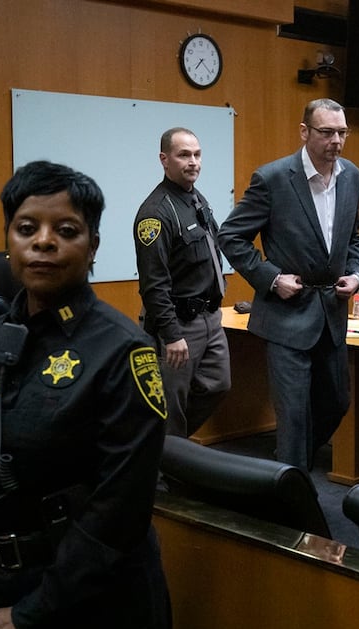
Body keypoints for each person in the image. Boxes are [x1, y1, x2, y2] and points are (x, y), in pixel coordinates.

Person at [0, 160, 175, 629]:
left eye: (66, 230)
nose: (44, 242)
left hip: (95, 618)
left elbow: (120, 508)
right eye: (26, 228)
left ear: (92, 246)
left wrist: (31, 614)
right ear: (8, 240)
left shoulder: (123, 351)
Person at [218, 98, 359, 471]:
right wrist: (271, 278)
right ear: (304, 132)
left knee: (336, 402)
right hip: (285, 315)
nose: (336, 141)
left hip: (331, 312)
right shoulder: (272, 178)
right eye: (327, 132)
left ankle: (287, 468)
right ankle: (290, 499)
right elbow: (231, 236)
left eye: (342, 132)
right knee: (294, 417)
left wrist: (355, 272)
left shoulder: (353, 176)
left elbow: (355, 239)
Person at [134, 127, 230, 437]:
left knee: (219, 384)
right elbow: (153, 283)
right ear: (164, 159)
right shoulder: (156, 213)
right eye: (183, 155)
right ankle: (164, 473)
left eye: (197, 154)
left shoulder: (195, 198)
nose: (193, 162)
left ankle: (173, 450)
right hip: (178, 324)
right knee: (169, 406)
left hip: (210, 318)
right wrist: (171, 334)